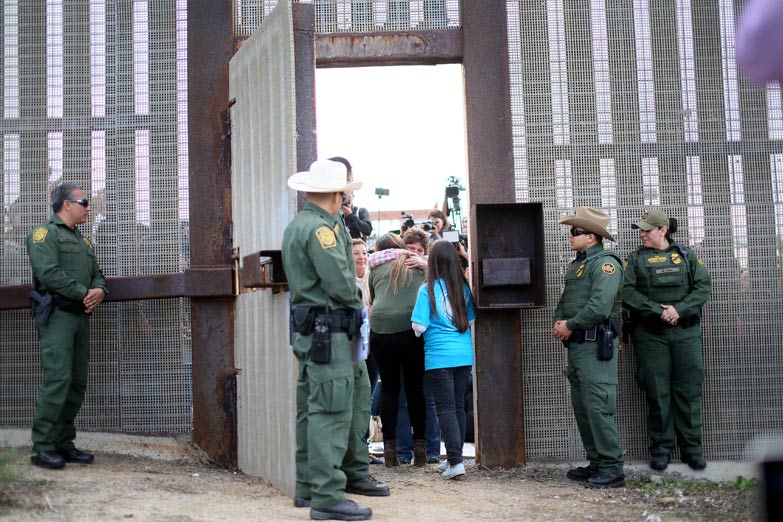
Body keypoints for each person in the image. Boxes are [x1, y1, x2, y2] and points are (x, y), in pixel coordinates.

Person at [282, 159, 388, 522]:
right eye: (343, 192)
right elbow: (341, 283)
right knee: (330, 410)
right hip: (329, 332)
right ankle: (327, 496)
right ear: (335, 194)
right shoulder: (321, 230)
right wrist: (358, 310)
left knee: (311, 410)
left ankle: (309, 487)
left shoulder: (301, 224)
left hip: (311, 332)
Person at [622, 209, 712, 471]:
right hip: (651, 335)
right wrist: (658, 310)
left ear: (662, 230)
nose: (642, 234)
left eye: (647, 230)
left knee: (688, 389)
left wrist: (678, 310)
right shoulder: (635, 260)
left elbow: (703, 287)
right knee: (657, 390)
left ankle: (691, 449)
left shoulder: (686, 256)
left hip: (685, 334)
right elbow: (626, 292)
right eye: (640, 230)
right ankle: (661, 449)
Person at [27, 183, 107, 470]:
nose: (88, 207)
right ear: (66, 204)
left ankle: (63, 443)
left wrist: (99, 290)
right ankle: (43, 447)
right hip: (58, 316)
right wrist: (83, 292)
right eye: (83, 202)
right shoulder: (44, 234)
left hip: (80, 316)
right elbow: (48, 274)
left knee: (76, 383)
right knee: (57, 380)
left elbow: (97, 274)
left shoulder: (84, 242)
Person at [552, 207, 625, 489]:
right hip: (578, 345)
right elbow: (567, 298)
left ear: (592, 237)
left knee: (598, 407)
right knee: (583, 408)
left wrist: (569, 324)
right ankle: (597, 462)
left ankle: (612, 468)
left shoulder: (605, 264)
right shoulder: (578, 264)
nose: (570, 236)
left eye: (576, 232)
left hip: (596, 346)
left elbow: (600, 306)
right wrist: (560, 322)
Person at [411, 240, 476, 480]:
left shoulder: (427, 289)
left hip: (439, 356)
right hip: (463, 354)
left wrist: (424, 331)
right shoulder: (464, 288)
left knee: (445, 408)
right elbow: (469, 320)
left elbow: (418, 324)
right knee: (458, 406)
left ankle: (456, 462)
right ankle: (452, 459)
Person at [368, 231, 428, 467]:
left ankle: (390, 449)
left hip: (380, 330)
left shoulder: (375, 268)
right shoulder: (415, 262)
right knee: (415, 389)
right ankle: (420, 446)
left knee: (389, 388)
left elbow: (373, 299)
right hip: (409, 329)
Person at [330, 157, 373, 241]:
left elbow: (368, 230)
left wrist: (351, 216)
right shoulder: (333, 211)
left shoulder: (360, 211)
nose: (346, 197)